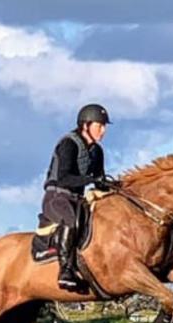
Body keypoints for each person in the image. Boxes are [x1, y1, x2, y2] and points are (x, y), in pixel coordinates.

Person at [40, 103, 113, 290]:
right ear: (85, 125)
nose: (103, 131)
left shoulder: (97, 151)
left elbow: (99, 181)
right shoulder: (68, 144)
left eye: (104, 126)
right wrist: (90, 179)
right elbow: (64, 178)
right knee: (70, 220)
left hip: (78, 199)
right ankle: (66, 270)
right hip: (57, 196)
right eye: (100, 126)